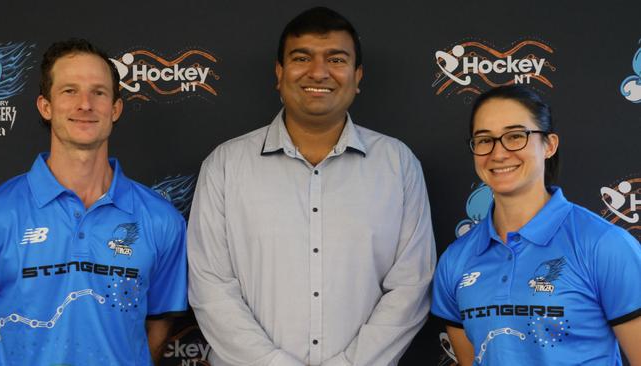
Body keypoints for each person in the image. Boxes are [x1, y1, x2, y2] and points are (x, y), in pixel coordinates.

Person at [187, 7, 436, 366]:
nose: (318, 72)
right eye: (301, 58)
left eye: (336, 59)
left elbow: (411, 287)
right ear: (279, 73)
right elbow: (211, 287)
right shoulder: (225, 166)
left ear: (357, 75)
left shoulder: (398, 165)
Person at [0, 39, 187, 366]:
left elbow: (157, 326)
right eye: (69, 91)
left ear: (115, 108)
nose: (85, 104)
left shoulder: (160, 219)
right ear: (45, 106)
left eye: (98, 92)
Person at [432, 85, 641, 365]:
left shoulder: (604, 245)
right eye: (484, 140)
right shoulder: (455, 260)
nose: (498, 153)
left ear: (549, 145)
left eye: (516, 136)